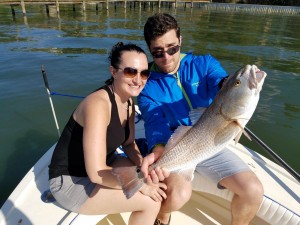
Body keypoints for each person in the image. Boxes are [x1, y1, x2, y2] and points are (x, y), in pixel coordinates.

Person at [138, 13, 264, 225]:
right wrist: (159, 147)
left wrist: (231, 84)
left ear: (180, 40)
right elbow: (154, 121)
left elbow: (220, 81)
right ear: (150, 50)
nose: (166, 57)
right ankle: (162, 215)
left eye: (172, 48)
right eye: (158, 53)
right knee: (177, 196)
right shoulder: (146, 85)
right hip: (175, 145)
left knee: (253, 190)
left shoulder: (204, 64)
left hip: (211, 140)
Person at [48, 42, 168, 225]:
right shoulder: (98, 105)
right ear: (113, 71)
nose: (138, 79)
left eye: (144, 73)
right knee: (150, 202)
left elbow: (128, 144)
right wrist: (140, 186)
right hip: (71, 180)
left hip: (106, 162)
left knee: (149, 179)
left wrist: (143, 168)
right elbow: (96, 173)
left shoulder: (127, 102)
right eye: (130, 71)